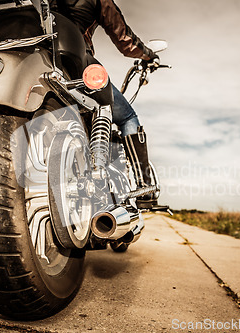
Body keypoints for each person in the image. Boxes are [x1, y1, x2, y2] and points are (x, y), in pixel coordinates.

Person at [49, 0, 158, 208]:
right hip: (77, 64)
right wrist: (148, 55)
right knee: (127, 117)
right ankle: (146, 188)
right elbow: (125, 40)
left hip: (39, 61)